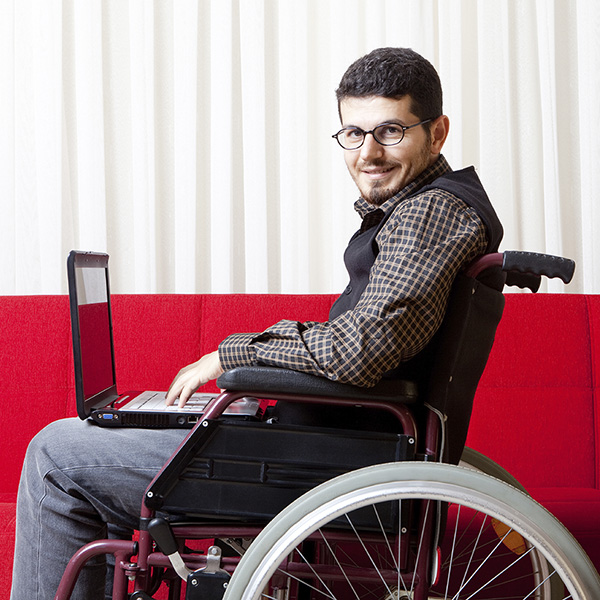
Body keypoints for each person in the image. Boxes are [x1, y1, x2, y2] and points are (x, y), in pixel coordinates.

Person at [10, 47, 502, 600]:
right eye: (353, 133)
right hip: (330, 445)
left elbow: (359, 352)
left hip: (327, 466)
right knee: (94, 448)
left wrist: (233, 356)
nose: (369, 153)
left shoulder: (429, 213)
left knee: (55, 453)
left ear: (437, 132)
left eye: (391, 131)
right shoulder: (425, 209)